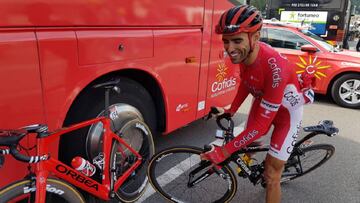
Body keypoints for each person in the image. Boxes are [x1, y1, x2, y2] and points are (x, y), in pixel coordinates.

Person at [200, 5, 315, 203]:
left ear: (255, 37)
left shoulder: (274, 68)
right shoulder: (245, 55)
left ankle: (275, 162)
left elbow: (260, 128)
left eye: (237, 40)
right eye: (226, 41)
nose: (230, 48)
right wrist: (231, 110)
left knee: (271, 175)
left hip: (286, 115)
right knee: (248, 140)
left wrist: (224, 151)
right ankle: (256, 157)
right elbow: (246, 83)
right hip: (264, 102)